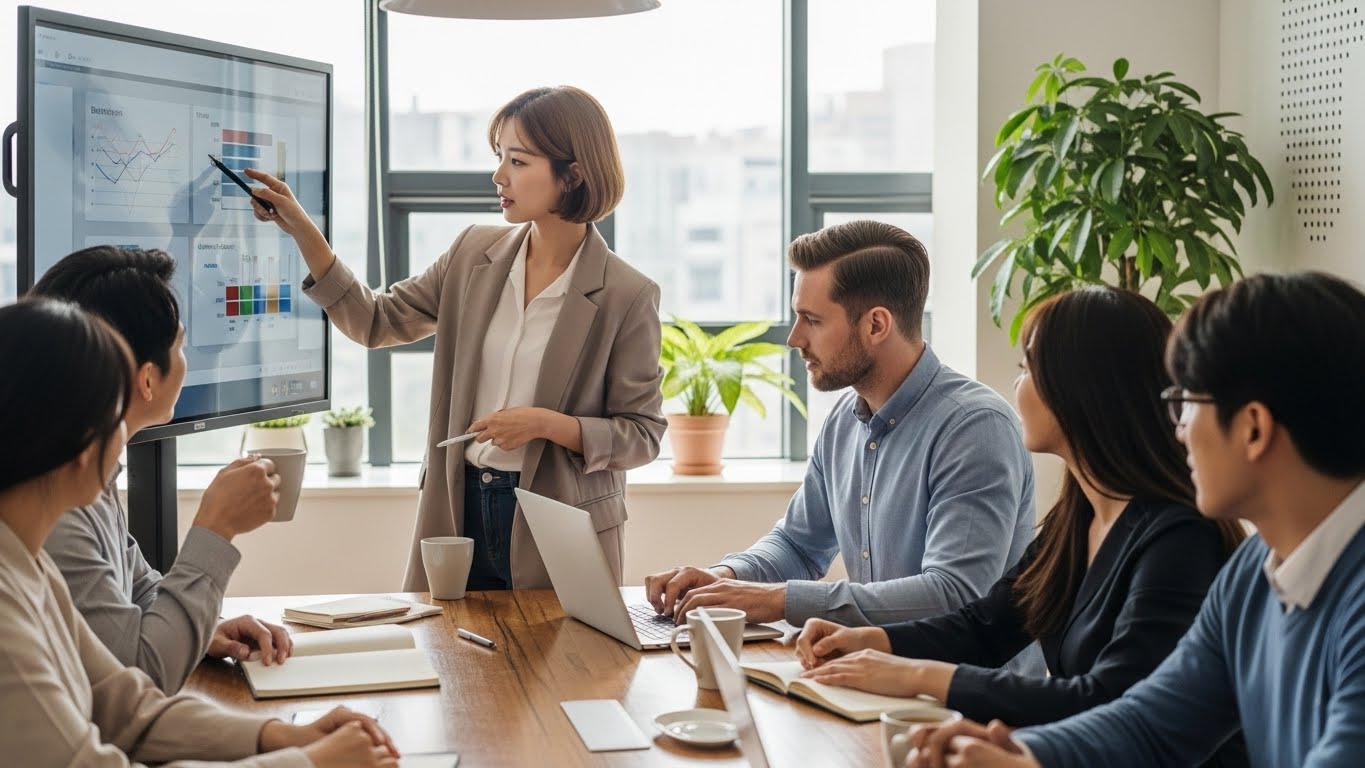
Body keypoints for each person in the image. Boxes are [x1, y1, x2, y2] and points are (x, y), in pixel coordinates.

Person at [907, 272, 1365, 768]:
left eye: (1187, 402)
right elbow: (1151, 723)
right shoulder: (1257, 568)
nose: (1179, 428)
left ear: (1253, 428)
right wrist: (1022, 755)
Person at [792, 287, 1246, 765]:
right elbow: (988, 626)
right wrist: (873, 640)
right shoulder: (1081, 516)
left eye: (1027, 370)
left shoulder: (1180, 539)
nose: (1017, 387)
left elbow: (1108, 699)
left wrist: (913, 675)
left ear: (1082, 389)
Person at [246, 85, 665, 591]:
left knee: (562, 668)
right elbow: (376, 321)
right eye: (499, 157)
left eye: (518, 160)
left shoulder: (627, 294)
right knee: (446, 661)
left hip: (559, 524)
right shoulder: (472, 255)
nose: (499, 176)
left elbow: (642, 435)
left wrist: (547, 425)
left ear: (572, 173)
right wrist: (303, 232)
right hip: (458, 509)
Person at [0, 298, 398, 767]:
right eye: (116, 413)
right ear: (82, 443)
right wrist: (312, 764)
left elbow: (129, 710)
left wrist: (285, 738)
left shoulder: (29, 562)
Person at [644, 220, 1040, 660]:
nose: (795, 339)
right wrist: (725, 576)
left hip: (964, 709)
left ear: (875, 325)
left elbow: (954, 593)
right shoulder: (844, 420)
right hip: (873, 680)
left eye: (812, 320)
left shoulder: (974, 428)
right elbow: (798, 544)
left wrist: (775, 600)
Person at [31, 245, 294, 693]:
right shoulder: (59, 504)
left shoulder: (90, 469)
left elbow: (140, 593)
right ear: (149, 380)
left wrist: (203, 630)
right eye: (181, 344)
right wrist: (215, 528)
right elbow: (143, 672)